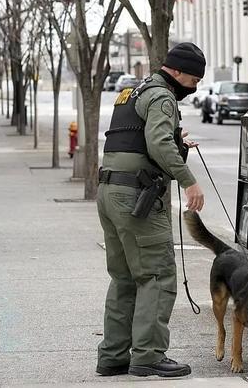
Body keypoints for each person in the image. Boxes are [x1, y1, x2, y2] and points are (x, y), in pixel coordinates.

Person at [95, 42, 206, 378]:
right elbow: (158, 144)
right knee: (156, 275)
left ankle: (113, 356)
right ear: (176, 71)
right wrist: (189, 181)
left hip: (109, 192)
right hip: (137, 197)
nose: (195, 86)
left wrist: (176, 141)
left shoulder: (131, 92)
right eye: (193, 79)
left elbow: (139, 140)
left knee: (124, 277)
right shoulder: (161, 96)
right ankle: (148, 356)